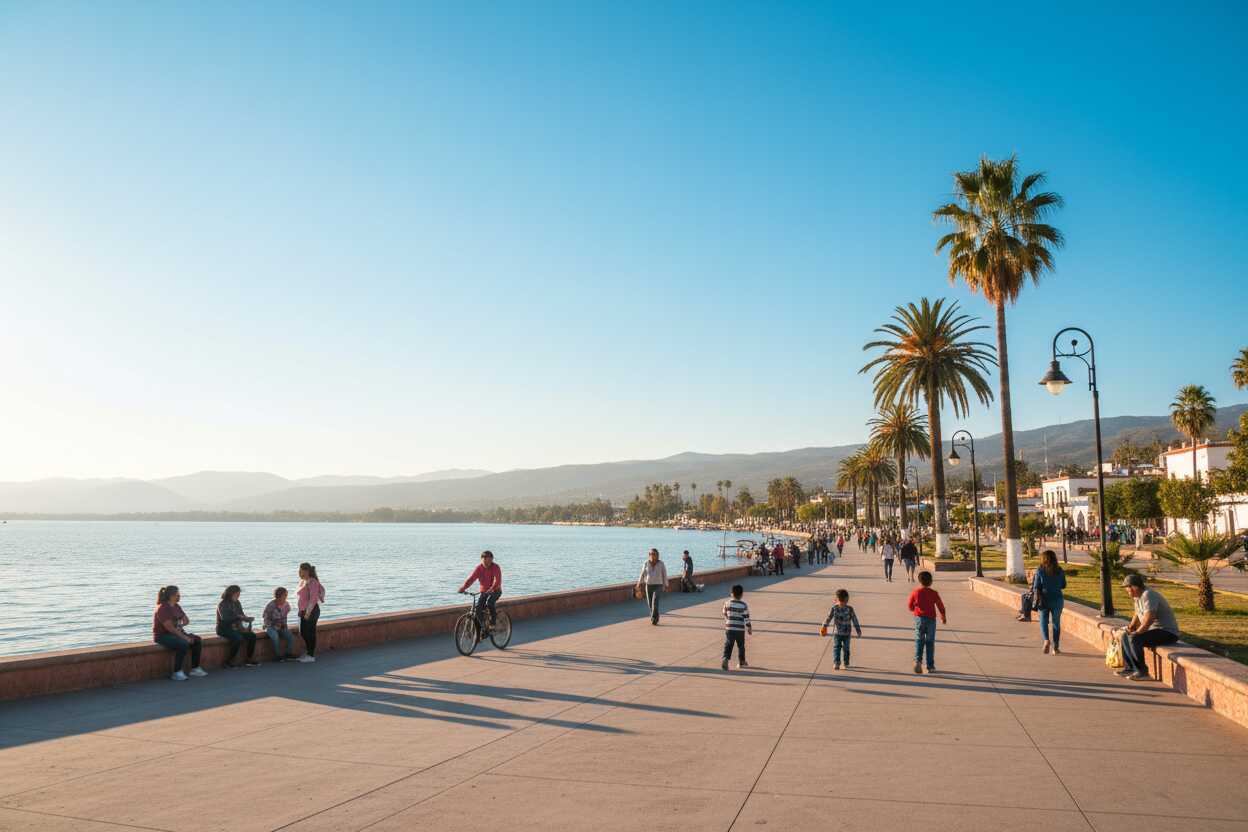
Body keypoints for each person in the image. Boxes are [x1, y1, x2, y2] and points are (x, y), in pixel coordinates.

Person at [1117, 574, 1180, 681]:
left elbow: (1150, 617)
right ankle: (1130, 668)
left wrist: (1138, 632)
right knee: (1125, 636)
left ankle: (1142, 672)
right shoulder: (1137, 597)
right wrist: (1131, 627)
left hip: (1167, 632)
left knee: (1135, 638)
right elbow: (1137, 614)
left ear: (1134, 587)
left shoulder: (1148, 595)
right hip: (1154, 630)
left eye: (1127, 589)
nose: (1127, 591)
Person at [153, 585, 207, 681]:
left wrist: (180, 625)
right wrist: (185, 637)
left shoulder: (176, 606)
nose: (179, 596)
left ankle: (195, 669)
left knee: (197, 640)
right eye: (177, 595)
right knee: (183, 644)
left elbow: (186, 620)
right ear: (171, 596)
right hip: (162, 636)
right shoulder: (162, 608)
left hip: (175, 632)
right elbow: (170, 628)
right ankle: (177, 672)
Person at [907, 571, 947, 674]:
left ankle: (918, 661)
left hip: (919, 619)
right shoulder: (934, 593)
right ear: (930, 582)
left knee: (919, 640)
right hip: (931, 620)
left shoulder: (916, 592)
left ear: (919, 581)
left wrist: (915, 609)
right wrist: (943, 616)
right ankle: (930, 666)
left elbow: (910, 606)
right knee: (930, 642)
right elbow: (940, 605)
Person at [1032, 550, 1067, 655]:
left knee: (1043, 621)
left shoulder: (1040, 570)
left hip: (1043, 600)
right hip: (1057, 600)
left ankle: (1046, 640)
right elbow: (1063, 585)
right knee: (1056, 623)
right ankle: (1056, 648)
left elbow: (1036, 587)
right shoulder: (1060, 570)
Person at [459, 549, 503, 631]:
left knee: (490, 603)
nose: (487, 564)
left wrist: (492, 588)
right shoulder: (479, 568)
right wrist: (463, 588)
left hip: (496, 591)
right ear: (481, 559)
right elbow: (471, 579)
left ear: (492, 560)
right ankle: (483, 627)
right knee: (478, 608)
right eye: (485, 561)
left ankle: (492, 624)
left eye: (490, 561)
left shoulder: (496, 567)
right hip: (484, 591)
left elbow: (497, 580)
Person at [216, 584, 258, 668]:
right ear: (231, 593)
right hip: (224, 628)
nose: (238, 596)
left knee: (252, 636)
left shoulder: (237, 602)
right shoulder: (222, 604)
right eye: (237, 594)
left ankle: (249, 659)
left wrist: (247, 619)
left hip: (237, 627)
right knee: (237, 638)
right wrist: (238, 617)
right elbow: (225, 619)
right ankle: (229, 661)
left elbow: (241, 614)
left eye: (239, 594)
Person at [821, 588, 863, 670]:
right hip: (837, 633)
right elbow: (828, 618)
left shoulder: (850, 609)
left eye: (844, 601)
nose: (842, 603)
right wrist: (824, 626)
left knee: (846, 648)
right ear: (836, 599)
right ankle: (836, 663)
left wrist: (858, 630)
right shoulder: (834, 608)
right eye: (841, 601)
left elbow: (855, 619)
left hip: (847, 633)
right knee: (837, 647)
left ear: (847, 600)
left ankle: (846, 662)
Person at [296, 562, 325, 663]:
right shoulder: (303, 582)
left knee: (308, 633)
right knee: (304, 632)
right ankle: (309, 653)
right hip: (304, 611)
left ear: (307, 571)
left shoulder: (313, 582)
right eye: (299, 571)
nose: (300, 573)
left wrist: (307, 613)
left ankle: (311, 655)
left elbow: (313, 599)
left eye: (302, 571)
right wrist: (300, 610)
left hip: (311, 611)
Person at [721, 584, 752, 670]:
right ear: (742, 594)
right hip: (739, 629)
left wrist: (728, 619)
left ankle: (725, 658)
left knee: (728, 644)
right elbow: (746, 617)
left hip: (729, 628)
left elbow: (724, 612)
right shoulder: (743, 605)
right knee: (741, 646)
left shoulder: (727, 603)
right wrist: (749, 627)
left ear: (731, 593)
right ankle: (741, 661)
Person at [263, 587, 297, 662]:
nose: (286, 596)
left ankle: (288, 654)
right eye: (284, 595)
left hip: (281, 626)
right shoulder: (271, 605)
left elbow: (285, 617)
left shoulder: (286, 604)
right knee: (275, 637)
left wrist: (284, 625)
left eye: (286, 595)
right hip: (270, 626)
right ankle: (278, 655)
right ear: (279, 595)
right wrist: (274, 624)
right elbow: (265, 618)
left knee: (291, 637)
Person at [636, 548, 668, 625]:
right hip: (648, 585)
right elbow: (642, 573)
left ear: (657, 555)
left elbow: (664, 574)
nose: (652, 555)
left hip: (658, 585)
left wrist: (666, 584)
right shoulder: (646, 563)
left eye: (654, 554)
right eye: (651, 554)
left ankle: (654, 619)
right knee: (650, 604)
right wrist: (639, 583)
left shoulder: (661, 563)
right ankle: (655, 617)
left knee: (655, 602)